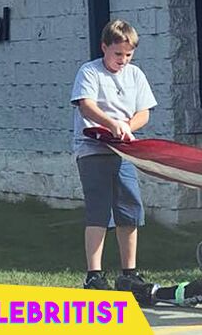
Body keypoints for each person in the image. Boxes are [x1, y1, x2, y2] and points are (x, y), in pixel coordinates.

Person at [70, 19, 157, 290]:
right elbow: (86, 106)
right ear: (104, 47)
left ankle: (129, 273)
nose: (123, 60)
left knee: (130, 208)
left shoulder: (135, 75)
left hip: (124, 151)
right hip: (94, 150)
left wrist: (127, 128)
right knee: (99, 210)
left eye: (128, 55)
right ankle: (94, 275)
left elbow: (144, 112)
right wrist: (111, 124)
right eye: (117, 53)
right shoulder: (90, 72)